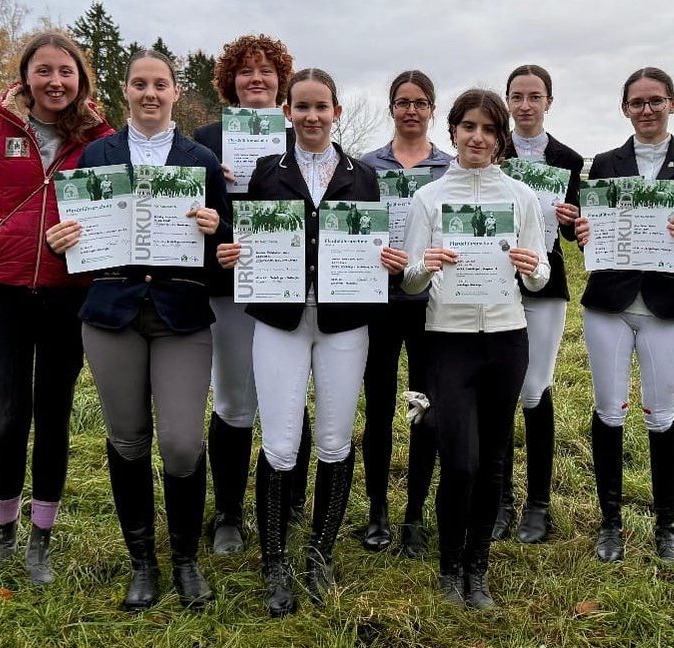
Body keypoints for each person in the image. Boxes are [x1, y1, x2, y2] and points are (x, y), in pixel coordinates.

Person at [46, 49, 228, 610]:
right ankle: (142, 562)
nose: (150, 93)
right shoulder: (96, 153)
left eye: (161, 85)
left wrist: (215, 224)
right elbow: (78, 231)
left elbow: (223, 250)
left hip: (181, 312)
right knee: (127, 438)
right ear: (125, 91)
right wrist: (64, 241)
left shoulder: (200, 157)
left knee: (179, 441)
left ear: (176, 92)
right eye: (139, 84)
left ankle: (187, 560)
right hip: (112, 311)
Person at [217, 67, 393, 617]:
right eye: (302, 107)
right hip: (279, 320)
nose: (312, 116)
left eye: (322, 106)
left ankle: (319, 552)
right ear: (286, 113)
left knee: (337, 440)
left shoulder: (364, 177)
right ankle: (274, 560)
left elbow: (374, 240)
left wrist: (386, 261)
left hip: (343, 323)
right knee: (281, 442)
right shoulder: (266, 172)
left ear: (337, 111)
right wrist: (232, 253)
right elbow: (240, 233)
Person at [0, 31, 112, 586]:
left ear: (80, 79)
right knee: (11, 414)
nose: (55, 81)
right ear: (26, 76)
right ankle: (4, 535)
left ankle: (42, 539)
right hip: (2, 294)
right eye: (44, 71)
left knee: (54, 413)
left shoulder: (101, 138)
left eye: (66, 71)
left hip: (70, 295)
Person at [403, 88, 550, 610]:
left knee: (492, 461)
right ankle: (448, 565)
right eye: (469, 127)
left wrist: (534, 270)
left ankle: (477, 568)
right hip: (449, 342)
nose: (478, 138)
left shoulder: (521, 197)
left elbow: (540, 276)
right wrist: (427, 264)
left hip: (507, 341)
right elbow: (412, 283)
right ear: (454, 133)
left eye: (489, 129)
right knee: (459, 462)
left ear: (500, 138)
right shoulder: (429, 198)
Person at [573, 67, 674, 563]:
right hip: (610, 302)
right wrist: (584, 234)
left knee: (661, 416)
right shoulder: (607, 163)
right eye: (637, 103)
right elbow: (586, 228)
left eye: (656, 101)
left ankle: (666, 526)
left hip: (665, 304)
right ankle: (610, 523)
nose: (647, 110)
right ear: (625, 110)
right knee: (608, 410)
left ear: (673, 104)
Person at [192, 34, 315, 555]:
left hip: (287, 284)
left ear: (281, 81)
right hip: (228, 280)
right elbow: (185, 215)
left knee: (289, 393)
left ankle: (289, 500)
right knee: (234, 395)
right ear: (230, 82)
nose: (257, 79)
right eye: (246, 72)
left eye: (266, 71)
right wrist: (211, 185)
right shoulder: (204, 140)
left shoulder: (305, 136)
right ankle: (228, 512)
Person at [358, 70, 452, 556]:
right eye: (402, 102)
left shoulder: (449, 168)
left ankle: (414, 513)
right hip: (378, 299)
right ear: (390, 108)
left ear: (432, 108)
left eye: (420, 102)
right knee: (378, 407)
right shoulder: (365, 166)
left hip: (431, 304)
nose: (411, 110)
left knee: (424, 410)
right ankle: (376, 511)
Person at [491, 64, 584, 545]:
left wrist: (572, 220)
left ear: (549, 101)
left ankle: (539, 505)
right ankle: (501, 500)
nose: (525, 105)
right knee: (502, 389)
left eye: (534, 96)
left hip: (545, 283)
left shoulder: (569, 158)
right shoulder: (493, 148)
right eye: (517, 96)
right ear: (507, 102)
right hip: (493, 280)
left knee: (536, 389)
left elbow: (574, 233)